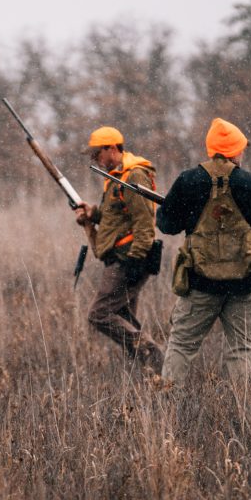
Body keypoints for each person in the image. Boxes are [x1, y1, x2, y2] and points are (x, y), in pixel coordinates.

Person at [157, 117, 251, 387]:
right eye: (241, 148)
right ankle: (248, 412)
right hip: (244, 281)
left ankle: (168, 408)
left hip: (200, 282)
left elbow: (166, 225)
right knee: (242, 348)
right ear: (234, 151)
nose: (243, 152)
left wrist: (182, 213)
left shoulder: (188, 180)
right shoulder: (250, 183)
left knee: (182, 344)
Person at [75, 126, 163, 371]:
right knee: (123, 317)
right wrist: (91, 213)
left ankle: (151, 353)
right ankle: (149, 373)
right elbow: (113, 216)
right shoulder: (115, 177)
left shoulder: (134, 176)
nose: (95, 159)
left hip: (129, 259)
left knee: (99, 314)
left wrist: (135, 262)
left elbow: (145, 222)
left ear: (112, 148)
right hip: (122, 257)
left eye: (97, 154)